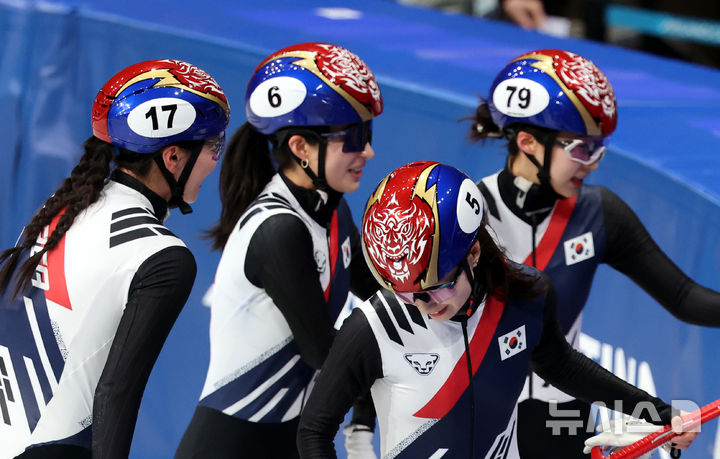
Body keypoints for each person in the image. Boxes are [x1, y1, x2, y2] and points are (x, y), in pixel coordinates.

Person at [296, 160, 698, 458]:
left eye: (436, 288)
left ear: (473, 253)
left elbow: (562, 367)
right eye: (406, 294)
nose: (423, 305)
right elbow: (314, 431)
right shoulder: (373, 327)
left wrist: (658, 413)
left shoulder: (526, 297)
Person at [468, 49, 720, 457]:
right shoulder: (467, 215)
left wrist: (655, 414)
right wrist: (363, 425)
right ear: (528, 142)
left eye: (599, 148)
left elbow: (684, 297)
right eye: (581, 149)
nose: (593, 163)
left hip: (562, 415)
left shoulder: (599, 211)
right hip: (481, 415)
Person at [0, 59, 230, 459]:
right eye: (214, 146)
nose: (215, 159)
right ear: (173, 157)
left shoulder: (62, 207)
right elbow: (117, 392)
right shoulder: (162, 255)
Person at [175, 42, 383, 459]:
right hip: (230, 447)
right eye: (354, 137)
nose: (368, 152)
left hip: (287, 439)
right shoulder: (279, 229)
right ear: (301, 148)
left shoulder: (333, 211)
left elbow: (384, 298)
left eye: (368, 133)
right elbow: (325, 352)